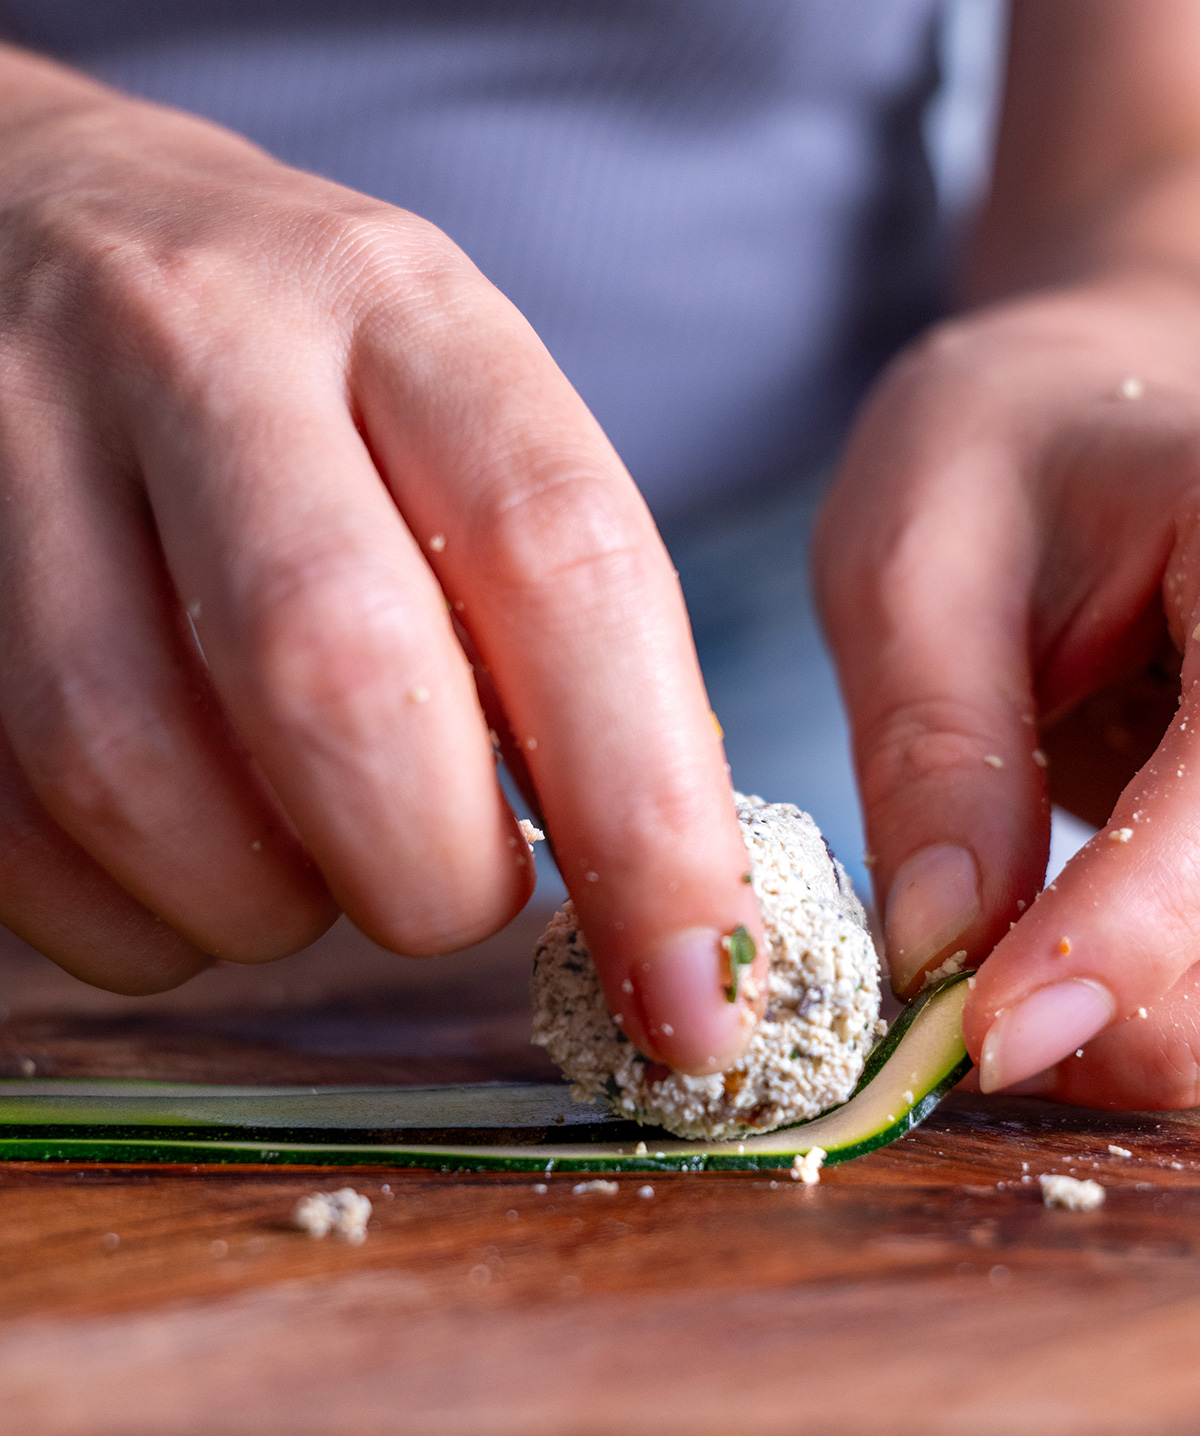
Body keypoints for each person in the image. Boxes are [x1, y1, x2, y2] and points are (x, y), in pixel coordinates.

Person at [0, 0, 1195, 1111]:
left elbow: (1154, 136)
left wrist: (1133, 322)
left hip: (847, 619)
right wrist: (32, 154)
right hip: (85, 598)